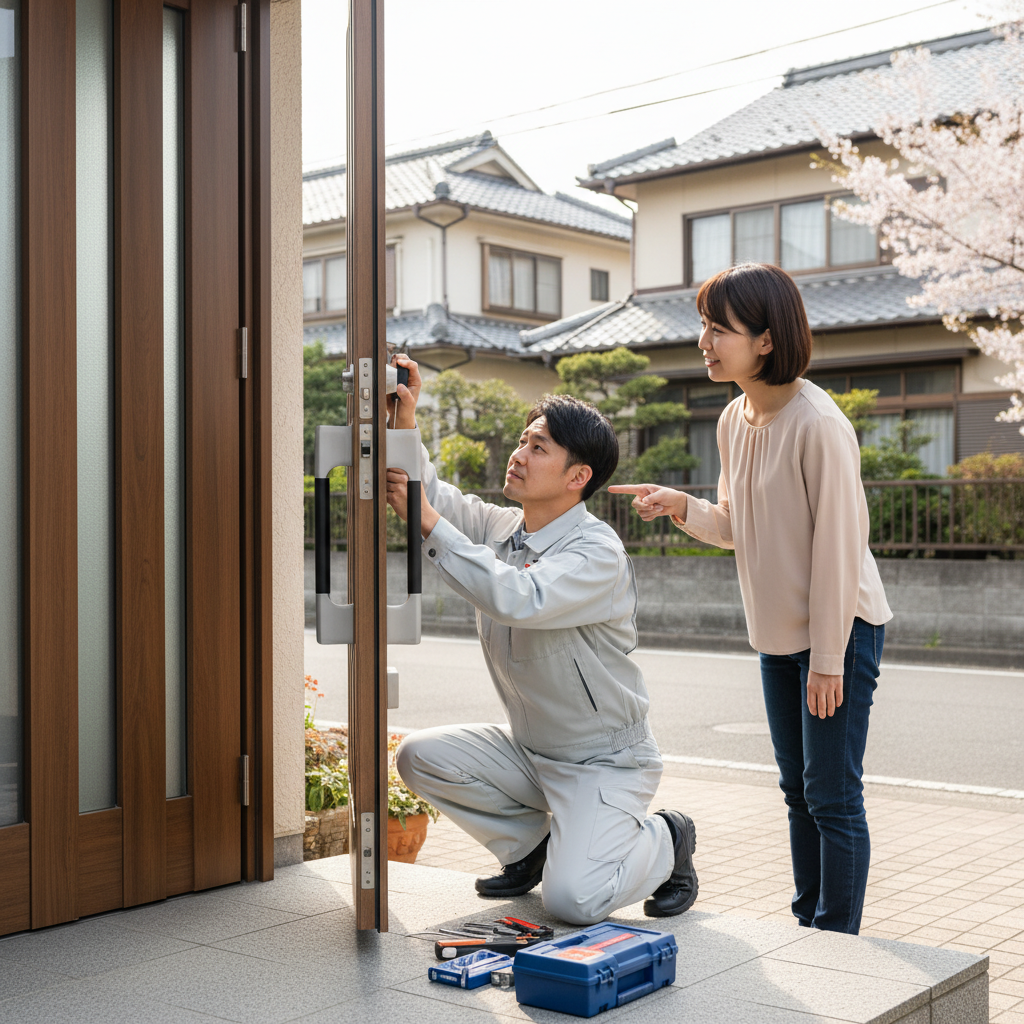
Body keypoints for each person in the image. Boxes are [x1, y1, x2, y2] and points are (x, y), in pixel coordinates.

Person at [611, 263, 892, 935]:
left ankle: (836, 939)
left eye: (719, 329)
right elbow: (740, 525)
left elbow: (839, 549)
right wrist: (683, 506)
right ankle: (808, 924)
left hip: (839, 631)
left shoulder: (818, 423)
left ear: (766, 340)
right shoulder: (735, 419)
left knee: (832, 795)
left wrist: (828, 657)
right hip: (778, 637)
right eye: (703, 326)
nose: (704, 341)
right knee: (798, 792)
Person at [383, 355, 698, 926]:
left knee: (573, 902)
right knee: (419, 755)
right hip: (532, 751)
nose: (519, 455)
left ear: (578, 477)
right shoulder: (507, 528)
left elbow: (517, 599)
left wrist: (427, 523)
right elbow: (428, 492)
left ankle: (667, 841)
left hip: (605, 762)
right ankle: (530, 849)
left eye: (538, 447)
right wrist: (405, 421)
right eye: (523, 441)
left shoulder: (596, 554)